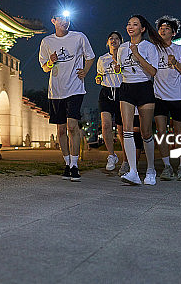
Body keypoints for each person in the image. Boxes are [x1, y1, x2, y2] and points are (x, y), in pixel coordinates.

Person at [39, 11, 95, 182]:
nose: (65, 21)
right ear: (53, 21)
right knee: (61, 130)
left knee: (72, 126)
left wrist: (85, 70)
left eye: (67, 18)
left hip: (75, 88)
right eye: (61, 18)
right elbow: (44, 67)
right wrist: (51, 61)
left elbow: (90, 57)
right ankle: (67, 163)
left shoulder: (79, 37)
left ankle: (75, 165)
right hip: (56, 90)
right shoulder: (47, 41)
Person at [114, 15, 165, 185]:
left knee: (146, 132)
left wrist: (137, 55)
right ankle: (133, 171)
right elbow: (123, 70)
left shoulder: (149, 47)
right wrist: (118, 68)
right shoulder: (122, 48)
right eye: (129, 24)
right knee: (127, 130)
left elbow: (153, 72)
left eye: (135, 24)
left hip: (144, 88)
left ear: (142, 29)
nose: (130, 27)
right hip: (127, 88)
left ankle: (150, 170)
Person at [153, 16, 181, 181]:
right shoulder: (153, 48)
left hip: (177, 97)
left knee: (179, 133)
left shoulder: (180, 49)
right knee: (161, 132)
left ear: (174, 33)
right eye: (161, 27)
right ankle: (167, 166)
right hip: (159, 96)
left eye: (167, 28)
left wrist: (176, 63)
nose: (163, 30)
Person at [95, 31, 124, 171]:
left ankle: (126, 158)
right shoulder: (102, 59)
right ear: (107, 42)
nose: (113, 41)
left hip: (121, 92)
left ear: (121, 42)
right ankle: (111, 156)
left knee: (121, 129)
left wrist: (120, 69)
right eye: (111, 38)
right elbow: (99, 75)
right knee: (106, 125)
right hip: (106, 92)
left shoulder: (125, 57)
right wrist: (98, 78)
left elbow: (131, 75)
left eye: (117, 39)